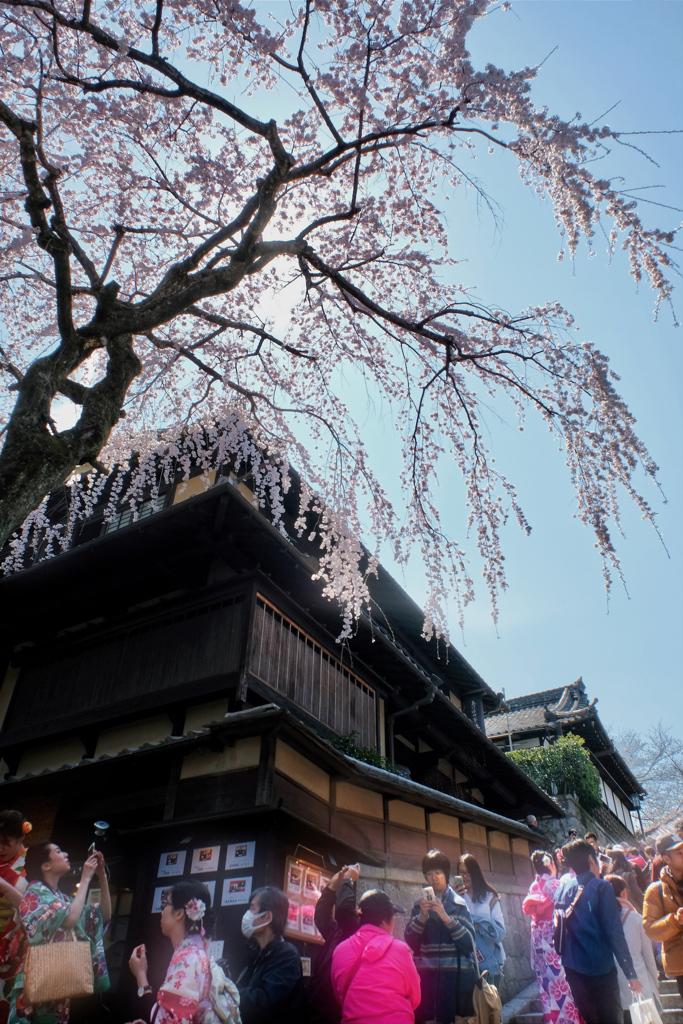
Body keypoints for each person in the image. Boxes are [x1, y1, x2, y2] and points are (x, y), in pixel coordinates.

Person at [9, 842, 111, 1024]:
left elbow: (102, 915)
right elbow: (71, 919)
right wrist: (85, 878)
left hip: (58, 983)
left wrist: (101, 876)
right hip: (35, 981)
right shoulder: (33, 893)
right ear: (45, 865)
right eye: (58, 851)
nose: (65, 854)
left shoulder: (62, 898)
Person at [553, 839, 641, 1024]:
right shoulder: (602, 886)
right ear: (592, 861)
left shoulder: (562, 889)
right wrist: (630, 973)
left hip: (573, 969)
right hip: (600, 968)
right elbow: (614, 933)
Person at [127, 879, 229, 1024]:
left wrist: (141, 974)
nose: (162, 912)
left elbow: (171, 1021)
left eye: (165, 905)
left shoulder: (188, 958)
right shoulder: (195, 954)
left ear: (180, 913)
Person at [404, 849, 477, 1023]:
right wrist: (422, 917)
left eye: (438, 872)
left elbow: (469, 944)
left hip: (454, 981)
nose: (434, 877)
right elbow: (411, 943)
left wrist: (446, 917)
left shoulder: (459, 905)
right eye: (429, 874)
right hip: (426, 981)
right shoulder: (419, 906)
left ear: (446, 875)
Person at [331, 889, 420, 1024]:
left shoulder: (339, 951)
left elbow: (341, 997)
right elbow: (415, 998)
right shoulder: (400, 950)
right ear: (385, 919)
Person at [522, 850, 581, 1024]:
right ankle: (570, 1020)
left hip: (538, 938)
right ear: (550, 864)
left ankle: (553, 1020)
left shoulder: (534, 885)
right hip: (553, 937)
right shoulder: (555, 884)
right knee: (562, 982)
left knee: (546, 983)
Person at [236, 886, 302, 1024]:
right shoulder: (257, 954)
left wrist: (230, 993)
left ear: (267, 916)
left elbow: (264, 1001)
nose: (247, 914)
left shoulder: (287, 955)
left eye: (252, 908)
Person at [604, 874, 661, 1023]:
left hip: (614, 988)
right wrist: (655, 982)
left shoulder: (601, 919)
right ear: (624, 893)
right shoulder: (636, 918)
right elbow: (648, 956)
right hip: (639, 983)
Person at [310, 864, 360, 1024]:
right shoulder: (336, 932)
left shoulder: (353, 933)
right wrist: (333, 886)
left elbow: (345, 911)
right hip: (319, 1010)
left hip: (335, 1014)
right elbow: (321, 916)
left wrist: (347, 880)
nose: (357, 911)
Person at [454, 853, 505, 989]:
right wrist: (452, 900)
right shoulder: (455, 898)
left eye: (468, 873)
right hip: (465, 961)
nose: (465, 876)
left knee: (490, 1007)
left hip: (491, 957)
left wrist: (475, 924)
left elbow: (500, 931)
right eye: (461, 873)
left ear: (475, 873)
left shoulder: (489, 897)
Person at [642, 834, 683, 1002]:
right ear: (666, 858)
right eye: (679, 852)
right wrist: (675, 920)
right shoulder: (655, 891)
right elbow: (650, 929)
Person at [0, 812, 30, 1022]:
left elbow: (33, 907)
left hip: (13, 943)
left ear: (21, 835)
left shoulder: (34, 862)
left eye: (5, 842)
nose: (0, 849)